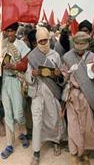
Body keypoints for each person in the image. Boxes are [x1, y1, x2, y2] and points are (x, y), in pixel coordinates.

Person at [62, 32, 94, 165]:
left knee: (87, 127)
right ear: (74, 43)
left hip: (87, 97)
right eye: (77, 43)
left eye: (83, 43)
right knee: (73, 127)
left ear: (87, 44)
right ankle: (74, 154)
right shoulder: (67, 57)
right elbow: (63, 77)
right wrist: (61, 74)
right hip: (72, 96)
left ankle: (86, 154)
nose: (80, 46)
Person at [26, 27, 66, 165]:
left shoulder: (55, 55)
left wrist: (59, 74)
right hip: (37, 93)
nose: (43, 43)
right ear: (37, 42)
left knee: (53, 118)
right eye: (40, 41)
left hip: (52, 92)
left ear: (49, 40)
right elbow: (28, 76)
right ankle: (36, 153)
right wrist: (33, 74)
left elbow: (62, 76)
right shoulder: (32, 56)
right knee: (37, 122)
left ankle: (56, 141)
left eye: (45, 40)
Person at [0, 22, 31, 159]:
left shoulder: (21, 45)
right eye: (8, 31)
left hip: (17, 80)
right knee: (8, 114)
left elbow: (25, 65)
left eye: (12, 31)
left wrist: (13, 65)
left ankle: (23, 132)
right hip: (6, 81)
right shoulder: (3, 44)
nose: (10, 33)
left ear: (15, 31)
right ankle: (9, 144)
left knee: (18, 113)